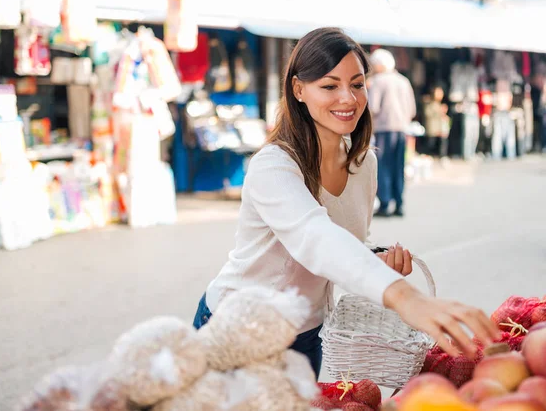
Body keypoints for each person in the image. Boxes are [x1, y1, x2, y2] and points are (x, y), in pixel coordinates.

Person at [193, 28, 499, 379]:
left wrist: (377, 262)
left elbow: (344, 247)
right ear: (298, 90)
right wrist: (406, 298)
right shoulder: (273, 165)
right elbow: (316, 238)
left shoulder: (364, 163)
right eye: (329, 86)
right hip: (238, 329)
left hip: (306, 334)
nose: (348, 98)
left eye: (357, 84)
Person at [367, 49, 416, 217]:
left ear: (380, 65)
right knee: (398, 166)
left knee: (383, 166)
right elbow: (412, 108)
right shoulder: (403, 81)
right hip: (401, 129)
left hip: (383, 129)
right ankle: (399, 203)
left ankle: (385, 203)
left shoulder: (378, 81)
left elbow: (372, 107)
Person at [423, 85, 451, 161]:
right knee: (430, 143)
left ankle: (442, 156)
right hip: (433, 127)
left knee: (443, 141)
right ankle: (427, 155)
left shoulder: (439, 104)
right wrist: (439, 111)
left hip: (440, 127)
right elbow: (428, 113)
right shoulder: (429, 102)